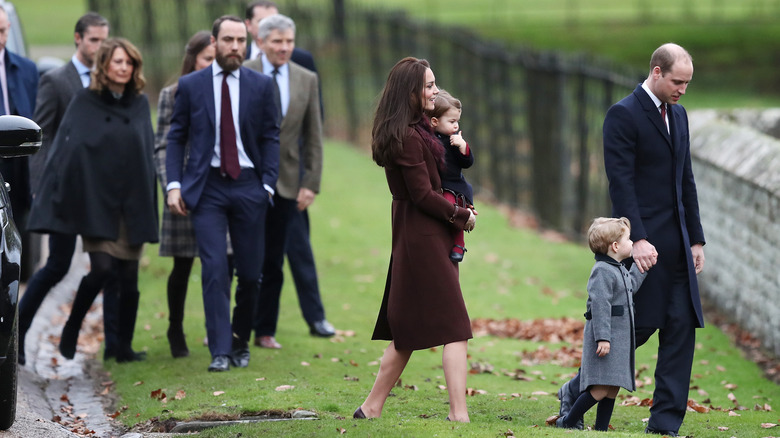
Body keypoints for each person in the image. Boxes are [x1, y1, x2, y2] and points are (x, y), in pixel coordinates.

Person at [556, 43, 705, 436]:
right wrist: (637, 239)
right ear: (656, 72)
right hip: (643, 247)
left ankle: (664, 425)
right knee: (633, 330)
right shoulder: (622, 114)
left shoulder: (681, 116)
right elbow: (620, 183)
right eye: (677, 81)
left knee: (680, 329)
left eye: (687, 83)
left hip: (679, 246)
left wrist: (697, 240)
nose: (682, 90)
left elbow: (685, 180)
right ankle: (576, 390)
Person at [353, 57, 476, 422]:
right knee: (455, 326)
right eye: (429, 85)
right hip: (421, 235)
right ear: (410, 92)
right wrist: (461, 215)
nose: (435, 91)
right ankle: (459, 414)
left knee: (407, 329)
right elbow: (422, 195)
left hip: (423, 234)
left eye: (434, 84)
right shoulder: (407, 137)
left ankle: (371, 407)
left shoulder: (418, 128)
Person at [27, 37, 158, 363]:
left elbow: (146, 154)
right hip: (98, 203)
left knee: (128, 276)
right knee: (101, 268)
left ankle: (123, 348)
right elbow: (68, 152)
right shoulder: (86, 101)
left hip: (132, 203)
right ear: (105, 65)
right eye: (117, 62)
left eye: (129, 63)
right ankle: (72, 325)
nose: (124, 68)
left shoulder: (140, 103)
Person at [165, 15, 280, 372]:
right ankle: (218, 350)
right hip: (207, 187)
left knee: (249, 274)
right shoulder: (191, 85)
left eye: (240, 41)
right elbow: (175, 138)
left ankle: (239, 341)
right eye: (228, 40)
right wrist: (174, 185)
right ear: (214, 43)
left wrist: (266, 185)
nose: (234, 47)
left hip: (249, 185)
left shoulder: (261, 86)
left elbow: (270, 137)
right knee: (214, 268)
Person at [21, 12, 111, 366]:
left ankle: (102, 338)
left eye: (105, 40)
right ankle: (20, 334)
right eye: (94, 40)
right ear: (78, 39)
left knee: (108, 266)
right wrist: (41, 187)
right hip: (63, 191)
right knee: (57, 265)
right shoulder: (57, 81)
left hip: (100, 193)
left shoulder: (110, 81)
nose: (100, 47)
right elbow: (40, 138)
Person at [244, 0, 334, 339]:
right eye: (277, 41)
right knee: (248, 258)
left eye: (289, 41)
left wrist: (310, 182)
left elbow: (314, 133)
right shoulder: (244, 71)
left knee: (294, 252)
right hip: (249, 180)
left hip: (291, 182)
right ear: (261, 39)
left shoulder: (305, 76)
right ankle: (243, 326)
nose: (284, 47)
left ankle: (294, 323)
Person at [547, 217, 647, 431]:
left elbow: (630, 287)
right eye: (629, 239)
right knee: (600, 388)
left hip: (619, 338)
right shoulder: (602, 270)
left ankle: (601, 430)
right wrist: (603, 337)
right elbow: (600, 306)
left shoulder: (617, 267)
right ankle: (568, 421)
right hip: (606, 338)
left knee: (612, 389)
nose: (632, 243)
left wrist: (642, 268)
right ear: (615, 246)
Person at [153, 30, 215, 358]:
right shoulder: (173, 94)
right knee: (183, 264)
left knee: (220, 264)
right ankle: (175, 327)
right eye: (207, 59)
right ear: (192, 60)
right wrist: (171, 185)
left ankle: (216, 330)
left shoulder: (228, 91)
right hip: (184, 188)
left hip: (219, 189)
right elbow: (163, 144)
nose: (212, 66)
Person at [0, 4, 37, 280]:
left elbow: (35, 112)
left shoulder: (26, 68)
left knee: (21, 211)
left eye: (2, 31)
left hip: (18, 150)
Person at [425, 90, 475, 263]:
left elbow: (467, 162)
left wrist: (463, 147)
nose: (456, 126)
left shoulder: (454, 141)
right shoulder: (427, 139)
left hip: (454, 186)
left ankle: (459, 243)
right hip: (437, 185)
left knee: (450, 205)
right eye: (452, 121)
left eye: (457, 122)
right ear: (434, 121)